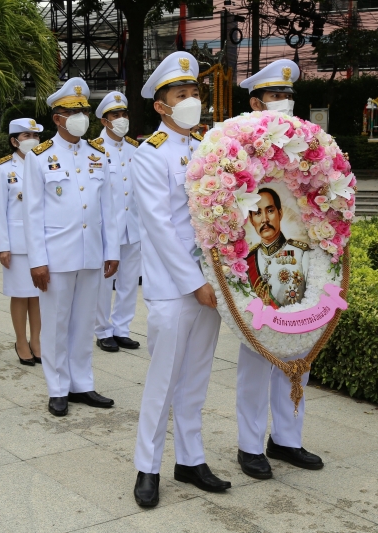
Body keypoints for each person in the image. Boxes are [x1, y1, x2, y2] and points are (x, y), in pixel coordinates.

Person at [131, 51, 230, 508]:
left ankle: (190, 459)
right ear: (161, 105)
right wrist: (195, 282)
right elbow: (160, 227)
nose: (192, 100)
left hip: (213, 285)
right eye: (181, 94)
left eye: (195, 92)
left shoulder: (209, 148)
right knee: (164, 378)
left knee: (196, 376)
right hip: (176, 287)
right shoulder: (149, 155)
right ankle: (147, 467)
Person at [235, 59, 324, 480]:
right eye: (275, 96)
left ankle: (287, 439)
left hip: (300, 258)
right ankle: (250, 446)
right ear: (255, 102)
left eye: (288, 96)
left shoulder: (309, 143)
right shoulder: (236, 145)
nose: (284, 103)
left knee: (298, 357)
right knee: (257, 355)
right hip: (251, 262)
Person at [22, 77, 119, 417]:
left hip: (91, 253)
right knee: (56, 323)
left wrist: (112, 251)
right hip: (55, 256)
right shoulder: (38, 157)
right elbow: (31, 213)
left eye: (84, 110)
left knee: (83, 323)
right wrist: (37, 261)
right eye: (72, 111)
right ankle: (57, 387)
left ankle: (82, 384)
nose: (80, 116)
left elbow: (109, 207)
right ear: (57, 118)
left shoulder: (98, 154)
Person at [92, 92, 142, 353]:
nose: (121, 119)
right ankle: (102, 330)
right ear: (104, 120)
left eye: (124, 114)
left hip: (132, 226)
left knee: (129, 281)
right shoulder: (92, 150)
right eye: (115, 115)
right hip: (105, 228)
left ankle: (122, 328)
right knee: (103, 282)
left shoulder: (135, 149)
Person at [0, 118, 43, 366]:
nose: (32, 139)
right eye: (26, 136)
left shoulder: (45, 163)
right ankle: (21, 340)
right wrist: (2, 245)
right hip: (17, 243)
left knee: (38, 295)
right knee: (20, 295)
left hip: (41, 241)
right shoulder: (3, 168)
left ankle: (37, 340)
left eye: (35, 135)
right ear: (14, 141)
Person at [245, 188, 310, 308]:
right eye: (258, 213)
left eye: (270, 211)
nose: (265, 219)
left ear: (280, 214)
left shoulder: (301, 253)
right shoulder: (247, 260)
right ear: (251, 220)